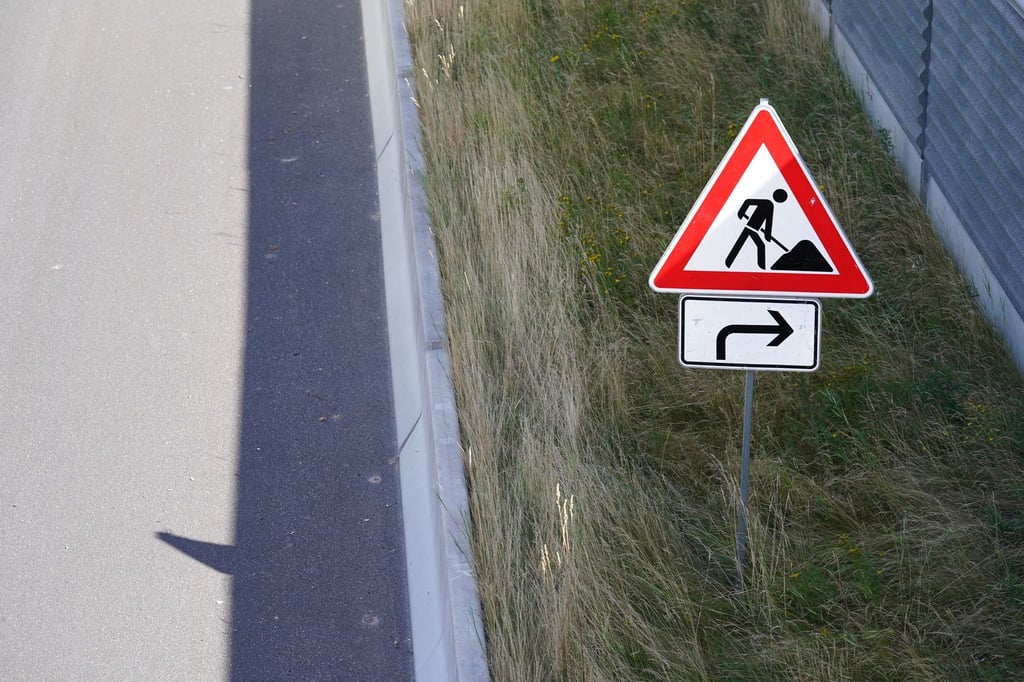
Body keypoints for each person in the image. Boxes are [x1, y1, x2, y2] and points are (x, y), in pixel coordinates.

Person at [725, 188, 788, 269]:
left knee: (741, 244)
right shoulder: (768, 203)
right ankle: (761, 268)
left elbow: (768, 222)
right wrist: (741, 212)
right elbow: (748, 202)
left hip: (753, 229)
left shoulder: (769, 204)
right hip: (750, 228)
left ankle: (728, 262)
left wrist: (767, 235)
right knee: (758, 245)